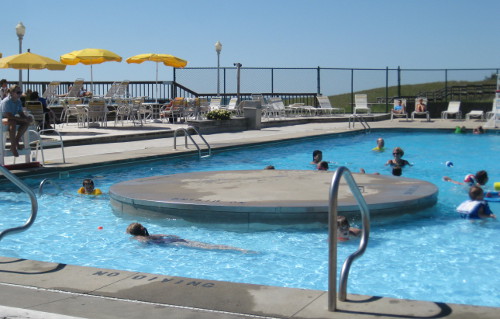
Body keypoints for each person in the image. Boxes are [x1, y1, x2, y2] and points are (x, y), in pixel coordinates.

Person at [126, 223, 251, 252]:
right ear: (142, 229)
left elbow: (146, 242)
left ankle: (238, 250)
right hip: (175, 240)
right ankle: (236, 248)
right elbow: (165, 235)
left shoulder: (139, 238)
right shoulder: (149, 235)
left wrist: (140, 247)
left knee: (208, 248)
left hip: (172, 243)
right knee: (206, 245)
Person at [0, 85, 34, 157]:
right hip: (2, 118)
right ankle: (13, 145)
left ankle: (15, 142)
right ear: (12, 93)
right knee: (13, 122)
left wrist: (27, 118)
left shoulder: (18, 101)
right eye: (18, 92)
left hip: (11, 118)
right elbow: (8, 116)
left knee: (26, 122)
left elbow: (21, 113)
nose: (20, 94)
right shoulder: (7, 101)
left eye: (21, 92)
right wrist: (23, 119)